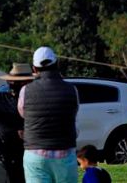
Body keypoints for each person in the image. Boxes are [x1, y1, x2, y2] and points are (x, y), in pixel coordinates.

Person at [18, 47, 79, 183]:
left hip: (35, 153)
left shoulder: (25, 91)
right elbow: (74, 113)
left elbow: (23, 113)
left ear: (34, 68)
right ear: (57, 64)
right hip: (65, 153)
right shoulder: (72, 90)